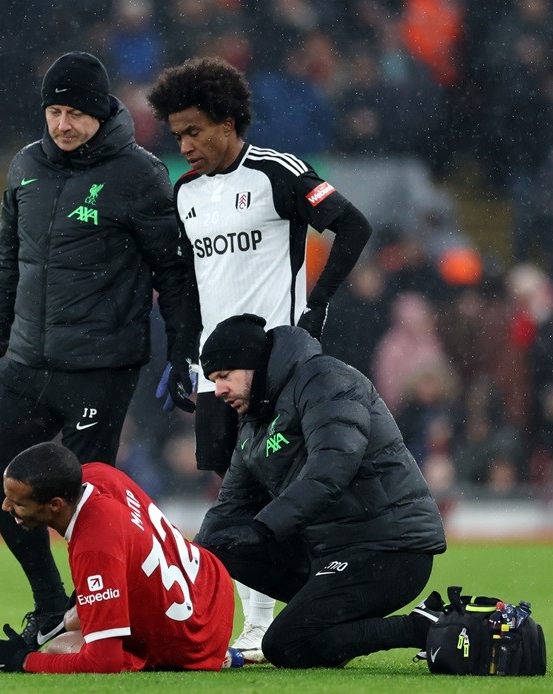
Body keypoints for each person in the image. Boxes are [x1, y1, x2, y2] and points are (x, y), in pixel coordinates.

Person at [0, 51, 200, 647]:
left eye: (75, 113)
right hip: (27, 359)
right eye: (54, 111)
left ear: (101, 114)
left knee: (83, 500)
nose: (62, 125)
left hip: (101, 366)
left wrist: (182, 351)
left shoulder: (140, 174)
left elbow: (172, 273)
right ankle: (53, 607)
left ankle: (97, 620)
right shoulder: (23, 169)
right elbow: (8, 268)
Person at [146, 56, 374, 660]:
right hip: (216, 372)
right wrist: (181, 356)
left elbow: (352, 226)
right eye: (177, 136)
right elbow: (192, 284)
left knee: (291, 489)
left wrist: (318, 306)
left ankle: (309, 606)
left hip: (282, 368)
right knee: (235, 492)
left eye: (194, 131)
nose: (186, 145)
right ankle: (260, 621)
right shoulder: (185, 193)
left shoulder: (277, 173)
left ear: (227, 121)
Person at [194, 314, 447, 668]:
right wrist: (183, 565)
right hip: (331, 551)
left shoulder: (326, 379)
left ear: (252, 363)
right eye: (213, 380)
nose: (218, 391)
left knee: (285, 645)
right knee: (218, 543)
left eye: (224, 376)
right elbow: (228, 508)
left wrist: (264, 528)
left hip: (390, 549)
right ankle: (324, 625)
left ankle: (421, 627)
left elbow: (331, 469)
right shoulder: (254, 419)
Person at [0, 442, 235, 673]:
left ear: (55, 505)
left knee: (60, 646)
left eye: (18, 503)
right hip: (211, 584)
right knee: (73, 618)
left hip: (194, 643)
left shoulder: (94, 547)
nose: (6, 507)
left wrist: (24, 660)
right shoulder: (98, 474)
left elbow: (104, 661)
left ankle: (214, 654)